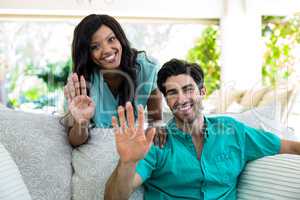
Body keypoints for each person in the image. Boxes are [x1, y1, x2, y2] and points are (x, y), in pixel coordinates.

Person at [104, 58, 300, 200]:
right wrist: (127, 162)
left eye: (188, 89)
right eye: (172, 93)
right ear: (166, 100)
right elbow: (114, 198)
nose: (181, 99)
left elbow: (291, 148)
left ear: (202, 92)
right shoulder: (156, 142)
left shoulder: (233, 131)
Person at [63, 14, 164, 147]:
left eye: (111, 39)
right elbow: (75, 142)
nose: (106, 50)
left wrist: (157, 128)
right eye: (95, 47)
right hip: (99, 151)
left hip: (132, 150)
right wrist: (81, 122)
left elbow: (156, 121)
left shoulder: (146, 68)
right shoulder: (81, 81)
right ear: (86, 53)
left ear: (120, 39)